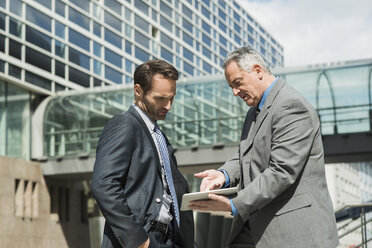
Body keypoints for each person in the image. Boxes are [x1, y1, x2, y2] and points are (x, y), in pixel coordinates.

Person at [189, 47, 339, 248]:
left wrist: (235, 204)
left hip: (295, 233)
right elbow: (245, 153)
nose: (234, 92)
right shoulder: (254, 111)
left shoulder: (291, 106)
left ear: (258, 71)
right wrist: (223, 174)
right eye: (231, 86)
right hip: (260, 226)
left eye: (237, 83)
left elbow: (282, 171)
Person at [92, 60, 194, 248]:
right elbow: (104, 184)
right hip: (143, 237)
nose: (168, 106)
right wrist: (138, 240)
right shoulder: (124, 125)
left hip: (168, 239)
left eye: (172, 98)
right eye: (160, 98)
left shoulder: (160, 137)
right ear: (138, 91)